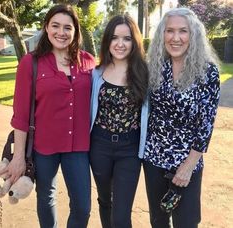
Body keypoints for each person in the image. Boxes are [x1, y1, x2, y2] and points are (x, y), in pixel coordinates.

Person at [5, 4, 95, 228]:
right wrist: (17, 158)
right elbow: (21, 114)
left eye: (67, 27)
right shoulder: (31, 63)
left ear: (75, 31)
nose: (61, 33)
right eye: (55, 26)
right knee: (46, 198)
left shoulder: (88, 62)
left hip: (79, 146)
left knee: (83, 207)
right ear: (46, 28)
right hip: (44, 146)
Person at [141, 7, 220, 228]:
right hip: (154, 160)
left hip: (188, 162)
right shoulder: (154, 67)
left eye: (183, 31)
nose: (176, 38)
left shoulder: (208, 72)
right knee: (158, 221)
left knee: (186, 222)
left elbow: (206, 125)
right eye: (170, 31)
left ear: (192, 35)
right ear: (162, 35)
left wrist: (188, 166)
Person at [90, 14, 149, 228]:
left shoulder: (145, 73)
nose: (120, 44)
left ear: (135, 42)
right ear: (108, 41)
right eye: (115, 38)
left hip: (130, 149)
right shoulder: (96, 74)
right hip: (100, 145)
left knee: (122, 215)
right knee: (105, 201)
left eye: (127, 38)